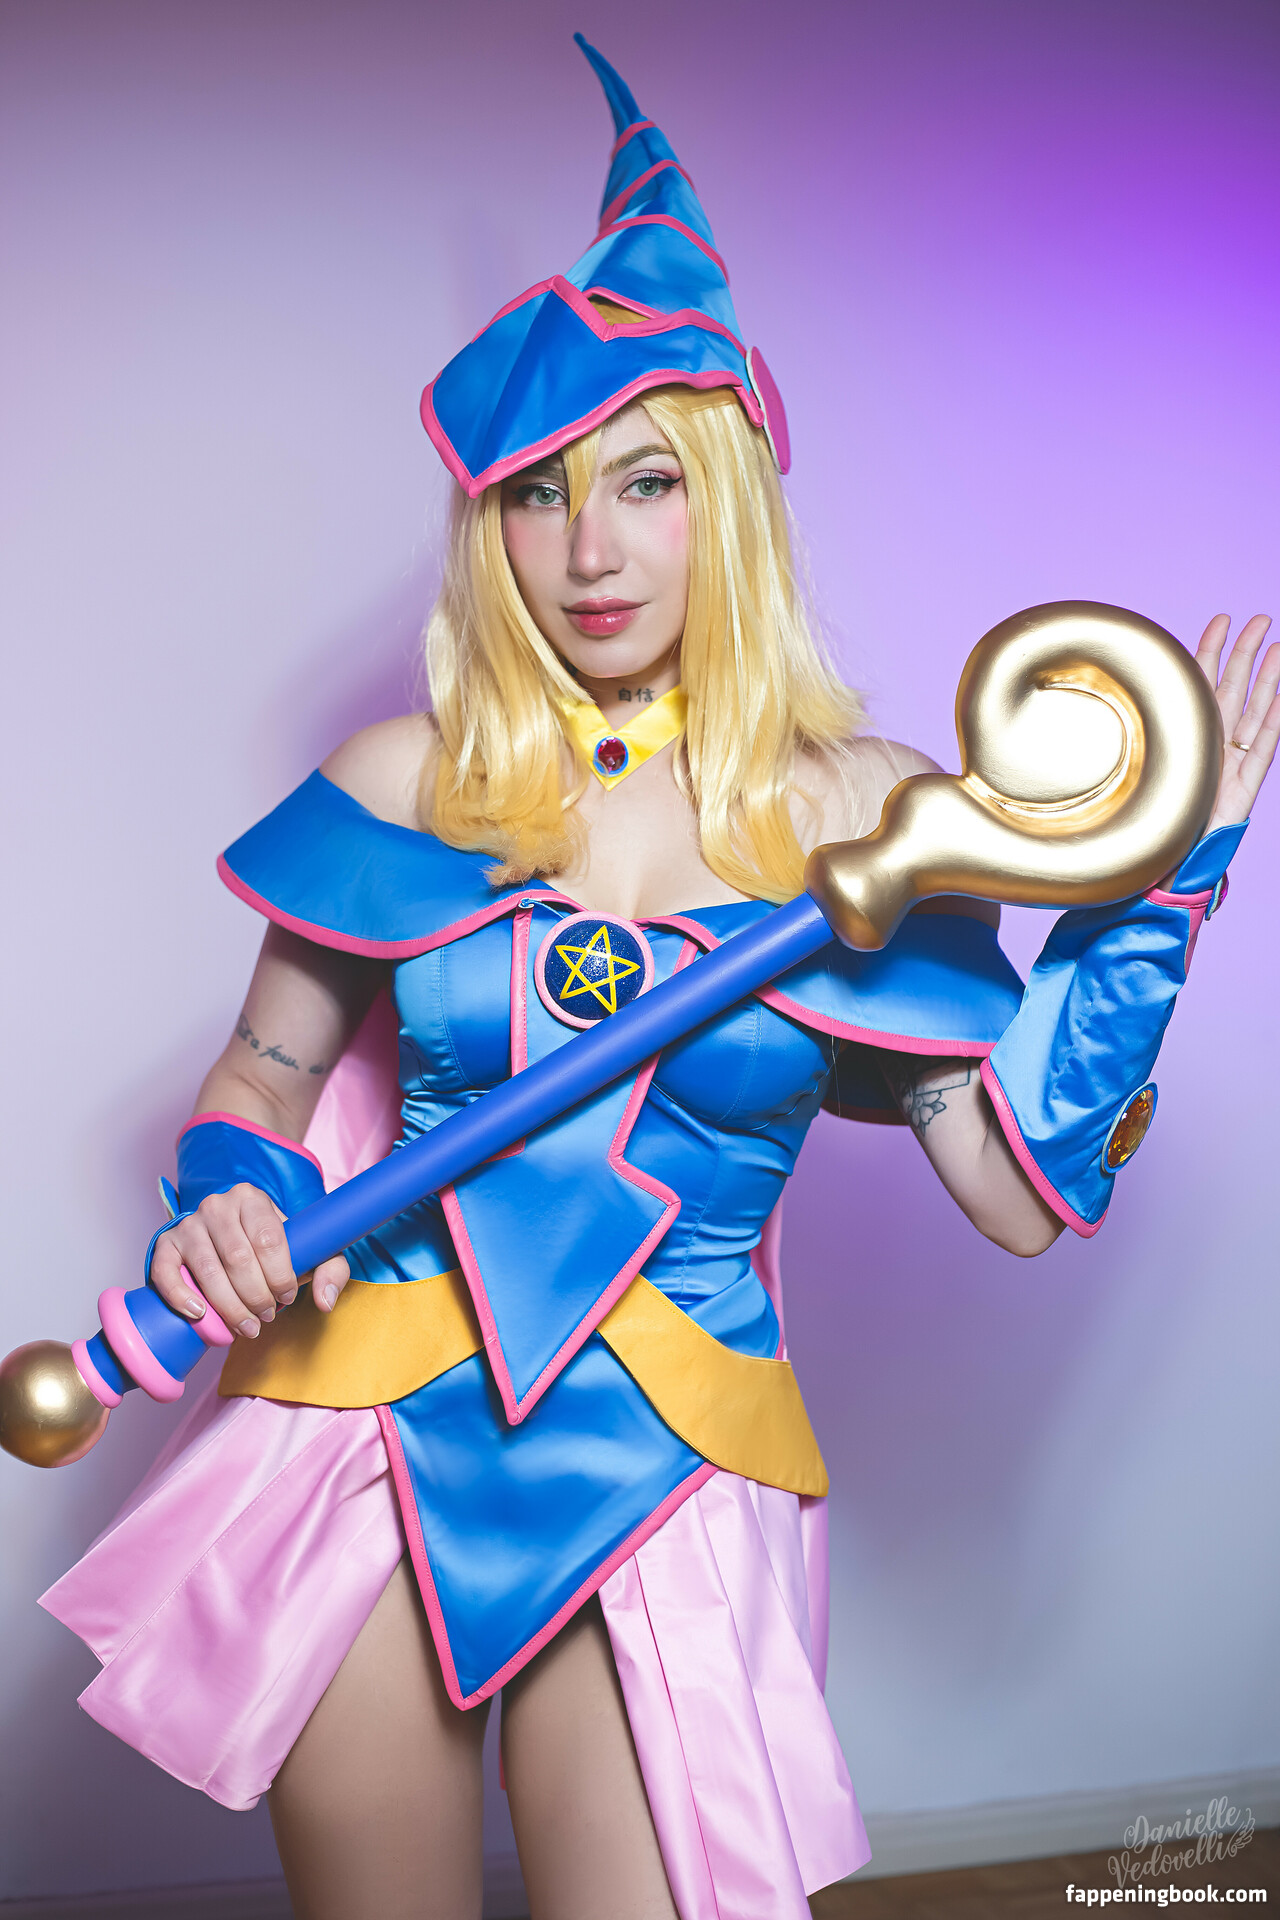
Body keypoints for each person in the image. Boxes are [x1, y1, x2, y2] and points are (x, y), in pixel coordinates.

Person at [40, 37, 1278, 1920]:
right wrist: (225, 1192)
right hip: (368, 1417)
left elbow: (1018, 1190)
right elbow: (267, 1078)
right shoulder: (409, 781)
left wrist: (1163, 892)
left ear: (730, 500)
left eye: (642, 483)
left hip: (670, 1446)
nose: (592, 550)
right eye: (540, 496)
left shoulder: (863, 817)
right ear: (489, 524)